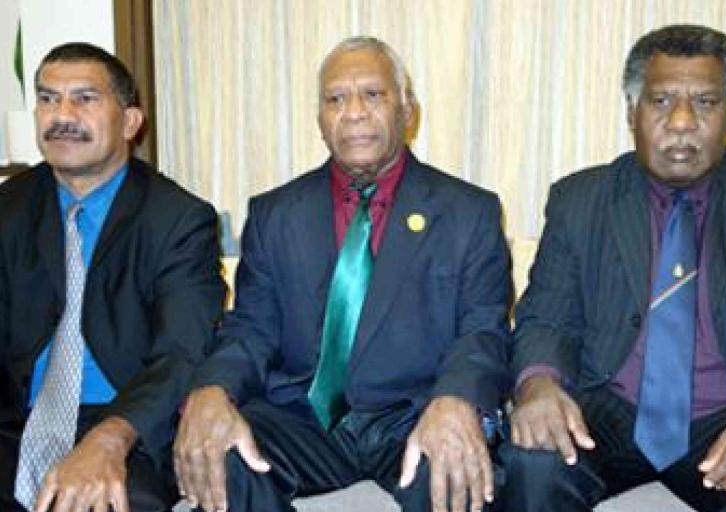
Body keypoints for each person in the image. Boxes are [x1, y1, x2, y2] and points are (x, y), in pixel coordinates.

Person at [173, 36, 513, 512]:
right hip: (300, 419)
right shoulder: (275, 214)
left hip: (414, 415)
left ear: (407, 109)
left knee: (459, 477)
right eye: (335, 99)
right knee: (224, 454)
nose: (353, 111)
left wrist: (457, 399)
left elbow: (483, 329)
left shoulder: (467, 211)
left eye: (373, 94)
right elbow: (250, 327)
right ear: (320, 120)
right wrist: (212, 389)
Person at [504, 24, 726, 511]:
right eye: (661, 101)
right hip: (605, 409)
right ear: (632, 111)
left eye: (706, 103)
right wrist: (539, 384)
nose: (683, 122)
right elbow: (545, 317)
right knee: (531, 463)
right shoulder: (580, 200)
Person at [0, 42, 225, 512]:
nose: (62, 114)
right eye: (47, 98)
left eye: (84, 99)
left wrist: (109, 439)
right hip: (17, 422)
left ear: (129, 122)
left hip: (128, 429)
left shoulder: (178, 220)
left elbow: (181, 354)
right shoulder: (10, 208)